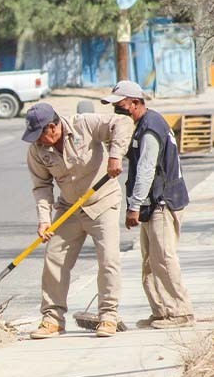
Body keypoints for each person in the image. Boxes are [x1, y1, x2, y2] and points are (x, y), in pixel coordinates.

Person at [23, 103, 133, 339]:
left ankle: (108, 316)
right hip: (69, 208)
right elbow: (41, 186)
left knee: (108, 259)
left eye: (41, 134)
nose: (39, 142)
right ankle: (52, 319)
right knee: (54, 258)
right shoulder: (37, 150)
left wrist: (115, 155)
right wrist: (44, 220)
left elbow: (122, 122)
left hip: (102, 201)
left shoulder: (83, 124)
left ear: (52, 127)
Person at [101, 81, 194, 329]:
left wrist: (134, 206)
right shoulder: (140, 125)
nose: (118, 113)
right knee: (149, 261)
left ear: (136, 103)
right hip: (150, 204)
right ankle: (162, 311)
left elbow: (145, 170)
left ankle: (181, 313)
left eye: (121, 107)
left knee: (163, 258)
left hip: (162, 202)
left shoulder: (150, 127)